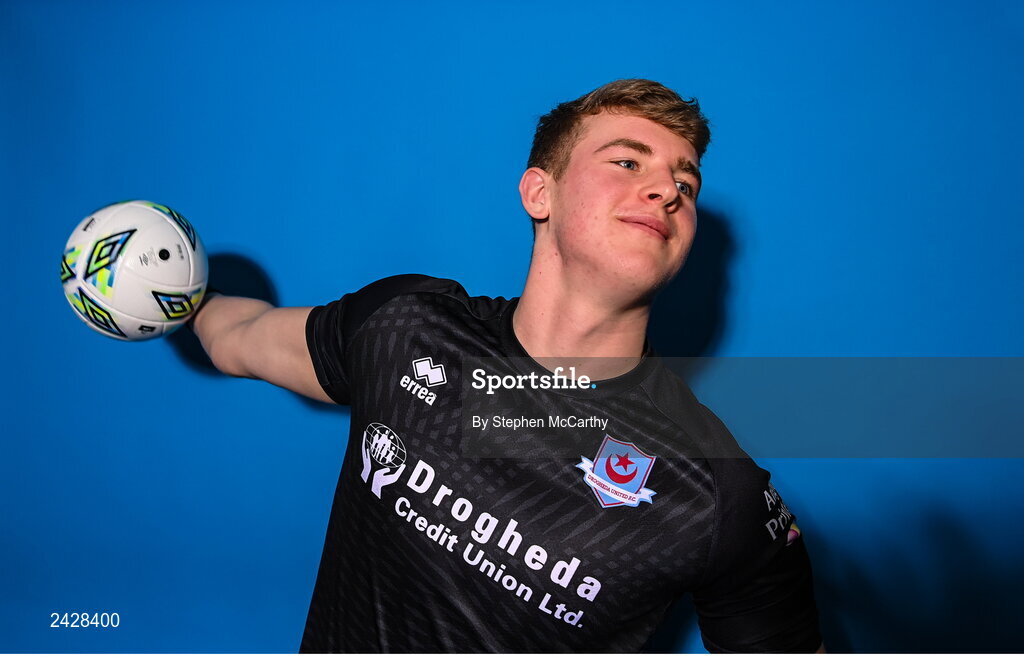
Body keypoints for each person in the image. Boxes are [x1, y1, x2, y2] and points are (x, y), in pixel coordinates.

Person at [192, 79, 822, 652]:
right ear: (539, 192)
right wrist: (173, 294)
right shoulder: (407, 328)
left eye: (685, 185)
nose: (666, 191)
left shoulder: (716, 491)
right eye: (628, 162)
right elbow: (238, 336)